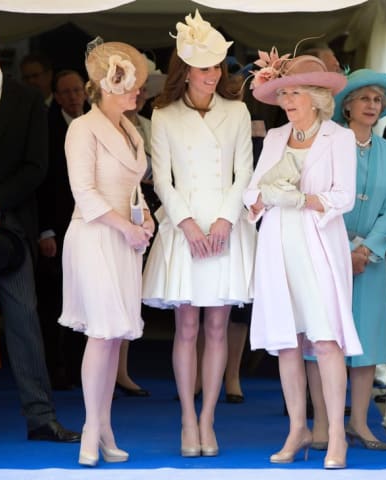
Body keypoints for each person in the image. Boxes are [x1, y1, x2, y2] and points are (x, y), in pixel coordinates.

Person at [142, 10, 256, 457]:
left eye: (218, 67)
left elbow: (243, 170)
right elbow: (162, 178)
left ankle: (209, 418)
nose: (214, 75)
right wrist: (187, 224)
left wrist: (227, 220)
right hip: (184, 223)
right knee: (186, 326)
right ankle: (187, 420)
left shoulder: (238, 111)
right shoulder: (164, 113)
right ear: (186, 70)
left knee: (217, 325)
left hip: (226, 225)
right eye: (205, 68)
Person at [243, 51, 362, 469]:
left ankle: (335, 438)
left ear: (316, 96)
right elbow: (252, 192)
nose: (288, 100)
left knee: (326, 341)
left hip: (316, 244)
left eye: (296, 92)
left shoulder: (339, 137)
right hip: (278, 242)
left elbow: (343, 197)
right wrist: (261, 197)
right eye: (284, 93)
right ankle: (297, 430)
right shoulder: (275, 137)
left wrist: (301, 198)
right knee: (287, 342)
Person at [0, 13, 80, 444]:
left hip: (15, 231)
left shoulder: (27, 100)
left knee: (25, 326)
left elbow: (38, 166)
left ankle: (41, 418)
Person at [58, 38, 154, 466]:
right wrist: (126, 227)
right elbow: (85, 192)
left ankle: (106, 426)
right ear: (112, 85)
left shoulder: (130, 129)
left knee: (115, 334)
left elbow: (133, 186)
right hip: (96, 235)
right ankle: (90, 430)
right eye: (134, 85)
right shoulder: (82, 127)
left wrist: (146, 219)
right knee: (101, 333)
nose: (139, 92)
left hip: (125, 238)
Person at [307, 69, 386, 452]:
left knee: (365, 344)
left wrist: (365, 251)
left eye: (378, 100)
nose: (372, 105)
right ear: (346, 105)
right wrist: (341, 249)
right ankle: (321, 424)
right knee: (323, 339)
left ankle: (361, 424)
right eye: (364, 98)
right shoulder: (328, 144)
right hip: (329, 253)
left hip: (370, 261)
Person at [115, 55, 167, 398]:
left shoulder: (148, 126)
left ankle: (123, 369)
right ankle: (114, 371)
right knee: (115, 293)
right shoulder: (108, 124)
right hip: (115, 212)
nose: (142, 94)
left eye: (145, 89)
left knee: (133, 293)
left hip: (148, 214)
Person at [36, 69, 88, 390]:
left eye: (77, 90)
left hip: (90, 226)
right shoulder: (48, 128)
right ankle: (56, 368)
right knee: (55, 302)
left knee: (86, 298)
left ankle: (80, 366)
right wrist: (44, 231)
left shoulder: (95, 123)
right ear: (56, 97)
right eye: (66, 92)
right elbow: (41, 182)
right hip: (57, 226)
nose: (73, 96)